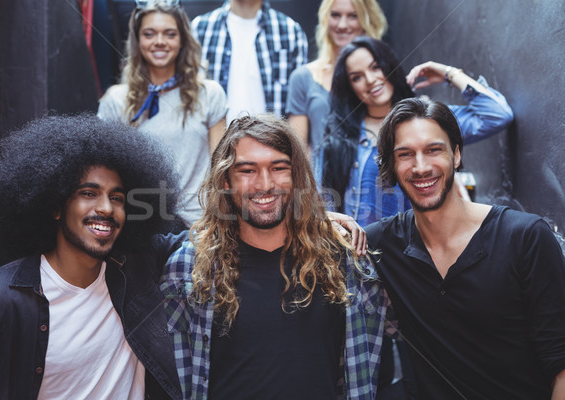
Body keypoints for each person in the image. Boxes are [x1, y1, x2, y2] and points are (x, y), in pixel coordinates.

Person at [161, 115, 389, 399]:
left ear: (297, 176)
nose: (264, 184)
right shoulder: (189, 268)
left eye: (279, 167)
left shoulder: (344, 260)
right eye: (247, 170)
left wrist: (319, 221)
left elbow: (369, 370)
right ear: (226, 181)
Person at [0, 115, 184, 399]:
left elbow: (208, 239)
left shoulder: (137, 270)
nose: (106, 208)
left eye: (117, 198)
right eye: (89, 193)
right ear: (56, 206)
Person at [366, 97, 565, 399]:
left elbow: (560, 360)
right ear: (393, 165)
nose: (420, 167)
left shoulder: (525, 237)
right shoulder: (382, 244)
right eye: (405, 154)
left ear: (456, 155)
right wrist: (332, 218)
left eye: (434, 150)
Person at [320, 35, 514, 227]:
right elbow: (321, 206)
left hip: (420, 250)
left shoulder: (428, 119)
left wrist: (449, 73)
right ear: (350, 87)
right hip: (362, 252)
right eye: (357, 77)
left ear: (389, 65)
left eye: (375, 67)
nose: (370, 80)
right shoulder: (341, 139)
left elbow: (497, 115)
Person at [98, 0, 227, 228]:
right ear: (138, 41)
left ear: (182, 40)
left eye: (169, 34)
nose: (159, 42)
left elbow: (221, 167)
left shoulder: (209, 94)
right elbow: (105, 171)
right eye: (149, 34)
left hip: (198, 226)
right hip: (139, 223)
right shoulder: (116, 100)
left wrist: (216, 221)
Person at [287, 0, 387, 151]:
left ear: (366, 20)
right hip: (319, 172)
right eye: (335, 15)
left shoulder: (382, 75)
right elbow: (298, 149)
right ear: (325, 18)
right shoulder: (303, 77)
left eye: (353, 16)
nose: (342, 25)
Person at [191, 0, 308, 121]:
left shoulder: (290, 32)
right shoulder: (200, 29)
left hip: (272, 137)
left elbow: (299, 105)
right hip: (214, 138)